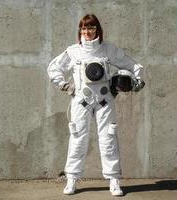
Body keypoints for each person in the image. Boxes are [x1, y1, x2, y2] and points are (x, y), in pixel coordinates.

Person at [47, 14, 144, 196]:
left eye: (91, 28)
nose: (87, 32)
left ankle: (114, 180)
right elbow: (54, 68)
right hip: (80, 101)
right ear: (80, 31)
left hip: (104, 101)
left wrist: (137, 80)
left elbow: (132, 65)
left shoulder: (108, 50)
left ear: (97, 30)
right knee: (77, 140)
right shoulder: (73, 51)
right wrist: (64, 85)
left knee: (109, 140)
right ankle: (72, 179)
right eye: (84, 28)